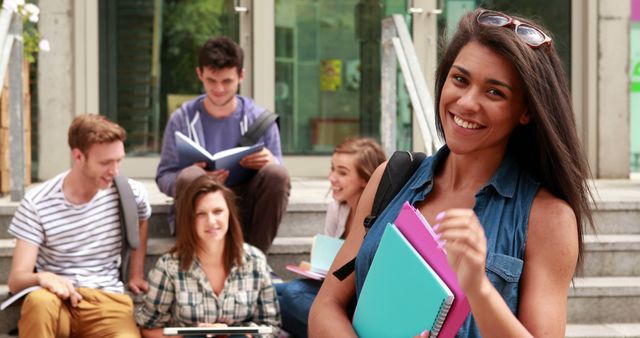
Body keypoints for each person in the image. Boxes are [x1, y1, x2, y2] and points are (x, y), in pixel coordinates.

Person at [309, 8, 594, 337]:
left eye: (494, 92)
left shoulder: (548, 217)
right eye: (460, 79)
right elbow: (326, 305)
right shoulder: (392, 178)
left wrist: (478, 287)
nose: (467, 102)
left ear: (526, 111)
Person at [7, 114, 152, 337]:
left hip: (107, 301)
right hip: (56, 300)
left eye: (119, 160)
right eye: (105, 163)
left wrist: (136, 272)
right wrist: (42, 278)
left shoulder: (130, 193)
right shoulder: (37, 203)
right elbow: (17, 280)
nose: (115, 171)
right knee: (38, 303)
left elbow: (142, 218)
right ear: (78, 156)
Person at [156, 36, 290, 254]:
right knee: (190, 176)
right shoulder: (181, 119)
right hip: (199, 207)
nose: (219, 89)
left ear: (241, 76)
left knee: (277, 174)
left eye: (227, 81)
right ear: (200, 74)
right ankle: (197, 258)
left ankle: (255, 262)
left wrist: (270, 161)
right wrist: (198, 178)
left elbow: (279, 176)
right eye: (211, 81)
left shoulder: (261, 120)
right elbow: (164, 177)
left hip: (246, 210)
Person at [136, 175, 280, 337]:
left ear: (229, 214)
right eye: (201, 214)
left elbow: (271, 326)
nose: (211, 221)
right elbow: (148, 328)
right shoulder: (169, 267)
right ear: (190, 220)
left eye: (218, 211)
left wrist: (235, 335)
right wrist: (192, 335)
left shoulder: (255, 261)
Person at [276, 137, 386, 338]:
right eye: (332, 169)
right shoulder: (337, 208)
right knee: (276, 292)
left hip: (357, 300)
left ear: (366, 178)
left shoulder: (381, 216)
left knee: (292, 293)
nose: (332, 177)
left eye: (342, 173)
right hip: (331, 287)